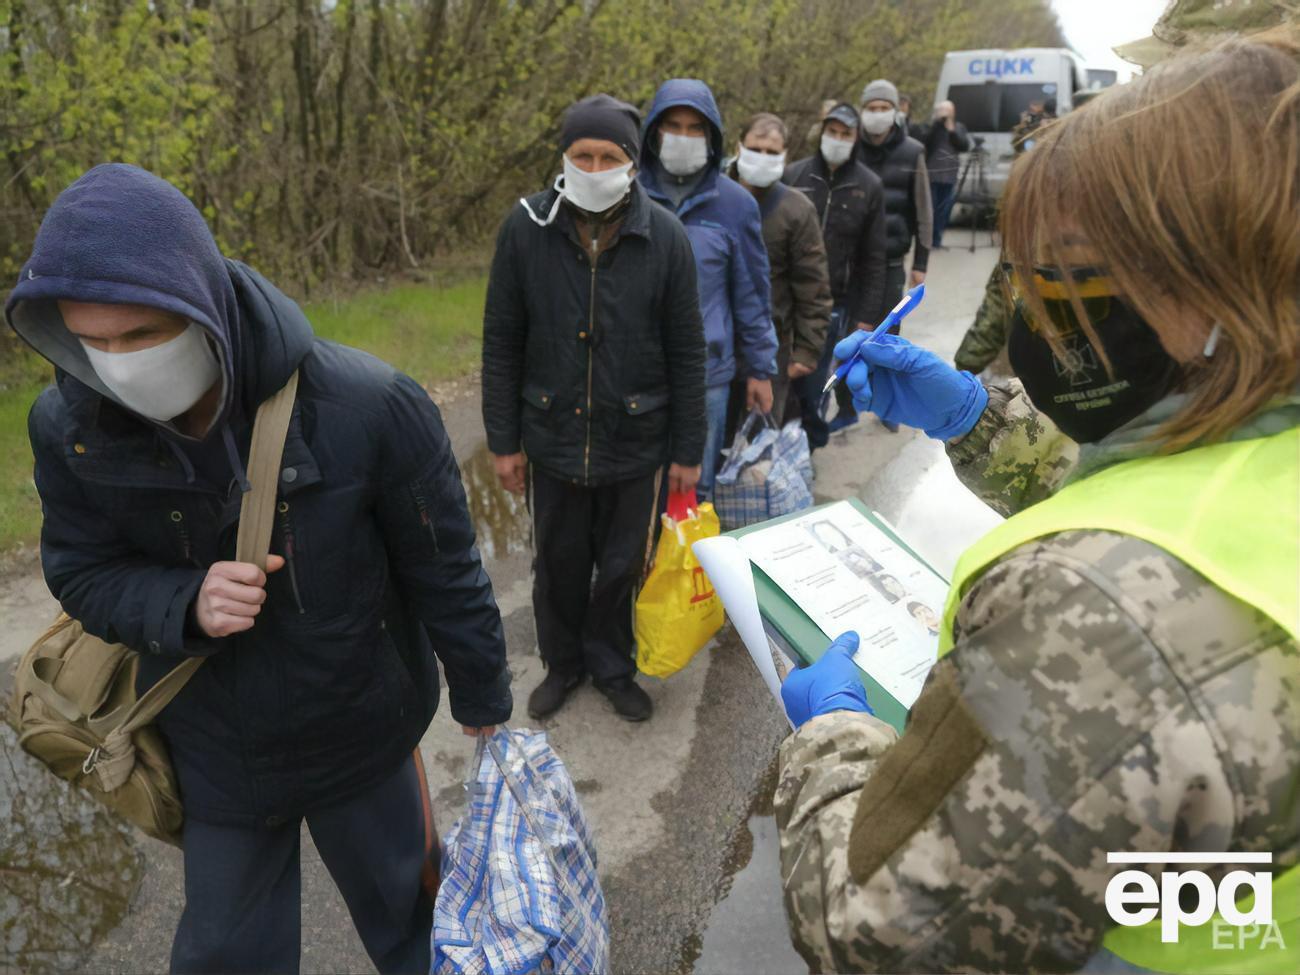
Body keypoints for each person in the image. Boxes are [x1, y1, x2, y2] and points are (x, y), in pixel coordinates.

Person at [775, 32, 1298, 972]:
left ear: (1222, 281)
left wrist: (832, 735)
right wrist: (978, 415)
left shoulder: (1097, 615)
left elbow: (878, 936)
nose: (1040, 308)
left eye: (1080, 268)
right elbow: (1183, 492)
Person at [6, 164, 513, 974]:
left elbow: (446, 566)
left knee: (414, 925)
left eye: (139, 336)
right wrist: (184, 601)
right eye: (90, 342)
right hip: (216, 753)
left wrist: (484, 698)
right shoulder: (69, 424)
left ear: (197, 300)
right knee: (225, 954)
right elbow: (81, 569)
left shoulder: (369, 404)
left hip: (362, 735)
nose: (118, 364)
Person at [482, 95, 706, 724]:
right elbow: (502, 339)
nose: (595, 164)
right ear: (564, 156)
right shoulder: (524, 228)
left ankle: (610, 663)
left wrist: (688, 450)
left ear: (632, 164)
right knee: (557, 560)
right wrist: (504, 439)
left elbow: (688, 351)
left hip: (634, 437)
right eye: (584, 153)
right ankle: (564, 664)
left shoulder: (665, 235)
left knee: (618, 565)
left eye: (610, 155)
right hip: (551, 433)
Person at [637, 79, 777, 498]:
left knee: (691, 490)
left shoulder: (735, 205)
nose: (683, 137)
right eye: (672, 125)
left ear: (712, 137)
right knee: (635, 490)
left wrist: (759, 368)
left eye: (695, 128)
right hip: (634, 374)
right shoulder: (627, 195)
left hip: (707, 378)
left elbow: (752, 294)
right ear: (653, 133)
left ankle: (686, 563)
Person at [783, 102, 887, 444]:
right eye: (833, 131)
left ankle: (806, 450)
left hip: (835, 305)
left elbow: (874, 258)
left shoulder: (869, 186)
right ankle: (777, 452)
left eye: (846, 133)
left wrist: (866, 316)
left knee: (815, 388)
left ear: (856, 138)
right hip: (785, 300)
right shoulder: (795, 175)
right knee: (779, 384)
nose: (838, 139)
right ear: (822, 132)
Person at [726, 112, 833, 429]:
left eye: (772, 153)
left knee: (758, 444)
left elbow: (813, 286)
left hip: (772, 346)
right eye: (755, 149)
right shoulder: (712, 197)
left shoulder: (796, 209)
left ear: (785, 155)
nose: (763, 158)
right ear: (739, 146)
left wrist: (807, 350)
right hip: (714, 344)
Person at [856, 79, 933, 431]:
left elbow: (923, 208)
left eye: (882, 108)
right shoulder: (850, 148)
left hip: (890, 260)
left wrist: (921, 261)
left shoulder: (913, 150)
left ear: (895, 111)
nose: (877, 115)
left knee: (887, 334)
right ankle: (847, 398)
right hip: (852, 261)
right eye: (870, 109)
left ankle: (888, 407)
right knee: (850, 331)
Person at [921, 100, 971, 249]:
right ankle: (926, 240)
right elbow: (925, 142)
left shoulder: (959, 127)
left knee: (944, 209)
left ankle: (937, 240)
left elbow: (964, 146)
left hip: (949, 175)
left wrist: (951, 130)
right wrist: (937, 124)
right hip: (932, 175)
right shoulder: (932, 127)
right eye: (941, 110)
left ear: (953, 112)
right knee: (930, 209)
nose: (944, 113)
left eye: (947, 110)